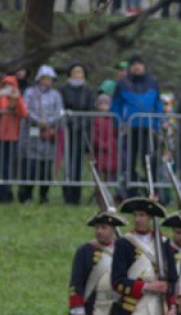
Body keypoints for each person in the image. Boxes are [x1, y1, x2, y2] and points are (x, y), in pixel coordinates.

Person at [111, 55, 163, 199]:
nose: (137, 67)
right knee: (130, 161)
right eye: (134, 64)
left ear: (144, 66)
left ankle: (152, 191)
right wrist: (119, 123)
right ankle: (130, 192)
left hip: (148, 129)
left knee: (150, 161)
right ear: (130, 67)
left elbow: (158, 104)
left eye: (139, 64)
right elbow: (116, 105)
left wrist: (157, 124)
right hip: (130, 129)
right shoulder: (122, 83)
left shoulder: (153, 82)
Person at [18, 65, 64, 204]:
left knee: (46, 170)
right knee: (30, 168)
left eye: (50, 78)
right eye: (45, 78)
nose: (48, 81)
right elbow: (26, 109)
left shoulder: (56, 95)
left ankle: (44, 196)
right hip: (31, 136)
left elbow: (59, 112)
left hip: (48, 137)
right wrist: (39, 122)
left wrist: (49, 123)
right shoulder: (30, 92)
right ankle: (26, 195)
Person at [59, 61, 96, 206]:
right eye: (75, 72)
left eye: (80, 72)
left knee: (78, 165)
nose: (78, 75)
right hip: (67, 131)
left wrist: (84, 125)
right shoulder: (63, 90)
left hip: (82, 132)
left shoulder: (88, 91)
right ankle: (67, 195)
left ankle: (76, 196)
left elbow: (90, 110)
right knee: (67, 164)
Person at [0, 75, 28, 203]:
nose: (8, 88)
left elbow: (24, 113)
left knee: (9, 168)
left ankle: (7, 193)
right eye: (5, 85)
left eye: (10, 85)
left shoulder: (17, 98)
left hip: (12, 137)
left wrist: (17, 99)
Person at [91, 92, 118, 185]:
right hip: (99, 151)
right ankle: (99, 195)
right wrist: (102, 144)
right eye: (101, 104)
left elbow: (115, 133)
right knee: (98, 175)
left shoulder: (113, 118)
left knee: (109, 173)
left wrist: (112, 144)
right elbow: (94, 134)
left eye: (106, 104)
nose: (103, 106)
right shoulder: (96, 118)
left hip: (112, 151)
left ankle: (109, 194)